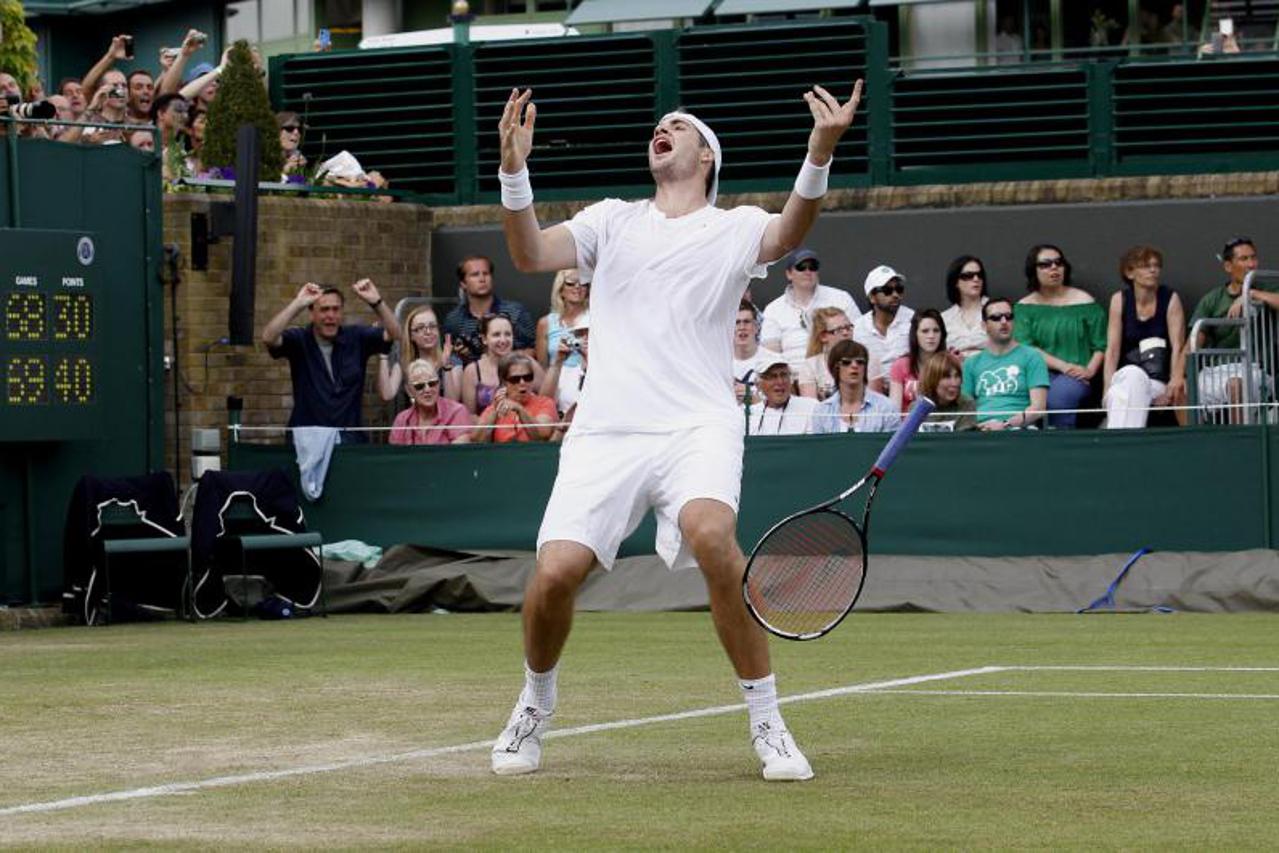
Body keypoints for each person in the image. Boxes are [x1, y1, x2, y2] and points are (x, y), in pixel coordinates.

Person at [490, 78, 864, 781]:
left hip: (697, 422)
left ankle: (766, 720)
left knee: (712, 536)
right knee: (553, 576)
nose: (662, 128)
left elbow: (791, 229)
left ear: (705, 157)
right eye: (658, 124)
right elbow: (530, 254)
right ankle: (536, 700)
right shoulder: (610, 220)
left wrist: (819, 149)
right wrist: (515, 169)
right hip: (607, 430)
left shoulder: (733, 228)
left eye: (679, 125)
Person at [261, 279, 401, 442]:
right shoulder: (299, 339)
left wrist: (377, 302)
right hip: (307, 442)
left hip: (350, 441)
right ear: (312, 313)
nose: (331, 315)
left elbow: (395, 333)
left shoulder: (356, 337)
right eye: (324, 309)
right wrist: (298, 304)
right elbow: (268, 338)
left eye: (336, 309)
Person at [1015, 244, 1106, 428]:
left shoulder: (1085, 302)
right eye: (1046, 264)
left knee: (1058, 398)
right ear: (1034, 270)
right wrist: (1063, 366)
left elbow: (1101, 344)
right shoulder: (1024, 307)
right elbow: (1027, 347)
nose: (1054, 268)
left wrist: (1089, 370)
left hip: (1078, 376)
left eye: (1058, 263)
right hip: (1038, 374)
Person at [1188, 237, 1278, 422]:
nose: (1251, 264)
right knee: (1183, 389)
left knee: (1236, 385)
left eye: (1253, 258)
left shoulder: (1267, 288)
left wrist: (1250, 294)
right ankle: (1192, 445)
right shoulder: (1212, 299)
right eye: (1243, 259)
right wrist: (1178, 376)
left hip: (1256, 370)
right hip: (1216, 370)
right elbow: (1193, 341)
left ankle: (1238, 441)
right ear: (1228, 266)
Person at [1102, 245, 1187, 429]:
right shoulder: (1119, 300)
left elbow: (1178, 346)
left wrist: (1173, 381)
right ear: (1130, 272)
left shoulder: (1170, 298)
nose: (1153, 270)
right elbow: (1112, 349)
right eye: (1145, 266)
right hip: (1125, 377)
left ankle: (1117, 444)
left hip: (1157, 381)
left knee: (1121, 393)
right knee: (1126, 382)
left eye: (1156, 265)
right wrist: (1106, 387)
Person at [759, 248, 860, 370]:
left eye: (813, 267)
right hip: (792, 380)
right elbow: (770, 355)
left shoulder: (841, 298)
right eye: (801, 267)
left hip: (838, 374)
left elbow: (860, 338)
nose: (808, 271)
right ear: (789, 274)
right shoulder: (773, 309)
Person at [962, 298, 1049, 430]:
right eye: (996, 318)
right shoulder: (971, 363)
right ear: (984, 326)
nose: (1004, 322)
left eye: (1008, 317)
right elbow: (964, 410)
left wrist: (1005, 424)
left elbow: (1038, 408)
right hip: (980, 432)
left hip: (1020, 430)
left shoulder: (1032, 357)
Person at [442, 255, 537, 364]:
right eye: (475, 275)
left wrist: (505, 357)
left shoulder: (516, 312)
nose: (482, 279)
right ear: (463, 284)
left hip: (510, 376)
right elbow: (448, 356)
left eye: (486, 273)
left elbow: (533, 350)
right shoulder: (454, 320)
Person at [378, 304, 461, 405]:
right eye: (420, 328)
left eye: (432, 326)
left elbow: (453, 403)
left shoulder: (452, 361)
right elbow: (387, 395)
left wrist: (446, 368)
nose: (428, 331)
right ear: (411, 335)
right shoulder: (405, 363)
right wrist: (383, 353)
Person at [810, 339, 899, 434]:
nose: (854, 365)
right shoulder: (822, 411)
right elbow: (819, 447)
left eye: (860, 362)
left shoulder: (886, 407)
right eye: (846, 362)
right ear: (835, 368)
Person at [461, 313, 543, 415]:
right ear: (484, 339)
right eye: (496, 335)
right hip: (487, 428)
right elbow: (470, 416)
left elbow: (546, 402)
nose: (503, 340)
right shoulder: (472, 371)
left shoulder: (529, 364)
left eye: (508, 334)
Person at [797, 306, 885, 399]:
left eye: (848, 327)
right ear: (823, 336)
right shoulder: (810, 366)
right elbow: (811, 408)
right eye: (838, 330)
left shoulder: (868, 360)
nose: (846, 333)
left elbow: (874, 404)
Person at [471, 354, 557, 443]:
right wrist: (494, 412)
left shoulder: (545, 403)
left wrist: (519, 409)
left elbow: (543, 435)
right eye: (515, 379)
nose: (522, 382)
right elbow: (476, 440)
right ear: (504, 382)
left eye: (528, 377)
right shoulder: (495, 407)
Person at [389, 359, 473, 445]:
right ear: (409, 391)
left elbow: (458, 453)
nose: (427, 389)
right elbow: (395, 455)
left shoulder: (456, 412)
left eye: (432, 383)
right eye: (419, 386)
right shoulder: (402, 420)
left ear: (439, 384)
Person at [854, 264, 915, 373]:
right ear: (872, 297)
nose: (895, 295)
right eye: (887, 290)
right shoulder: (858, 328)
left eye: (899, 289)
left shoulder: (913, 320)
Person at [889, 308, 947, 413]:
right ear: (915, 334)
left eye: (936, 330)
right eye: (925, 331)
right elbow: (894, 410)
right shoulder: (900, 365)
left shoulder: (950, 363)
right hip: (909, 426)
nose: (931, 336)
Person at [535, 268, 590, 368]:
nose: (577, 287)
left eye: (583, 283)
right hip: (557, 380)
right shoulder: (545, 323)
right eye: (570, 283)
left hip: (588, 380)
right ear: (560, 290)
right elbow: (542, 368)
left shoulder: (596, 319)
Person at [939, 255, 990, 360]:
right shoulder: (944, 318)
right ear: (956, 282)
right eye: (968, 276)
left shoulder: (996, 311)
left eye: (979, 275)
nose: (976, 279)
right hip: (954, 373)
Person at [541, 312, 590, 419]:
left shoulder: (612, 367)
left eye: (590, 334)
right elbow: (543, 403)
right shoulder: (566, 370)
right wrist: (557, 362)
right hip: (569, 430)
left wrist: (589, 359)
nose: (585, 339)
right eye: (580, 334)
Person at [751, 356, 817, 435]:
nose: (780, 382)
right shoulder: (749, 414)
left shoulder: (811, 407)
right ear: (758, 384)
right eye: (772, 376)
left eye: (784, 375)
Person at [917, 351, 977, 432]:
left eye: (957, 376)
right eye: (947, 377)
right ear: (932, 379)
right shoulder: (917, 408)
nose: (954, 383)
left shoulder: (967, 404)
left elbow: (964, 441)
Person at [278, 110, 307, 181]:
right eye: (289, 128)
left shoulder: (299, 157)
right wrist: (284, 172)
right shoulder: (264, 158)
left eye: (300, 129)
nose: (296, 132)